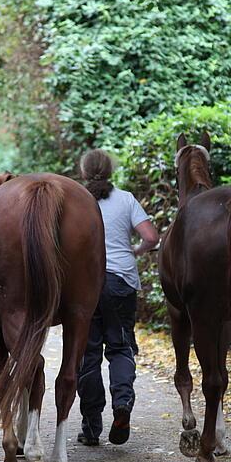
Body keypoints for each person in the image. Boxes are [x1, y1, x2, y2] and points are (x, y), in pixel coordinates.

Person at [76, 149, 159, 446]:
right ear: (110, 171)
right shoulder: (126, 199)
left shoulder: (74, 200)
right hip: (121, 281)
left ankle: (91, 426)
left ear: (83, 172)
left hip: (85, 285)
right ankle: (122, 405)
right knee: (121, 348)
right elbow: (151, 237)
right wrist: (133, 253)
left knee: (88, 355)